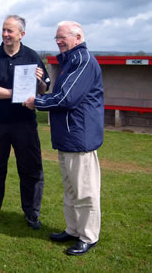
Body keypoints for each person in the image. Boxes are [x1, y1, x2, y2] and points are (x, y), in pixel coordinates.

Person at [24, 21, 104, 255]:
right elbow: (61, 95)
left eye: (62, 37)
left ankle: (88, 236)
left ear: (77, 37)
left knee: (85, 190)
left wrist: (35, 101)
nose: (58, 41)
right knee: (71, 188)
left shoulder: (83, 60)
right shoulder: (71, 60)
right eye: (56, 38)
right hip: (68, 137)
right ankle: (73, 229)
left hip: (80, 138)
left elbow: (66, 98)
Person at [0, 15, 50, 229]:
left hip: (24, 123)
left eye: (10, 31)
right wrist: (15, 93)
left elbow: (44, 88)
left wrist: (38, 82)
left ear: (21, 34)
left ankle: (31, 214)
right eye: (3, 30)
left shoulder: (32, 56)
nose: (5, 34)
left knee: (31, 169)